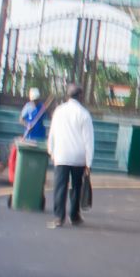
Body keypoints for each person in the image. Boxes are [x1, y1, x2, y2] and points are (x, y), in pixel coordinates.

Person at [46, 83, 94, 229]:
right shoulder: (84, 114)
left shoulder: (59, 111)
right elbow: (88, 140)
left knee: (60, 187)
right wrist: (89, 162)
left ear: (68, 95)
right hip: (78, 158)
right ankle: (74, 216)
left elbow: (52, 133)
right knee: (76, 187)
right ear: (80, 96)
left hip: (61, 155)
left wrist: (51, 151)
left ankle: (58, 218)